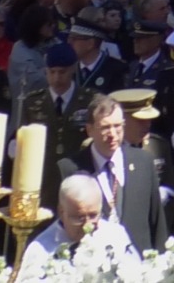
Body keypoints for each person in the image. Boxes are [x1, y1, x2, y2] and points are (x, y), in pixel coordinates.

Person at [56, 93, 168, 255]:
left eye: (117, 126)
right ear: (89, 130)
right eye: (105, 128)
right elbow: (60, 227)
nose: (113, 134)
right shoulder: (70, 169)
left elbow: (157, 223)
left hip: (138, 263)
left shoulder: (143, 162)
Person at [16, 175, 140, 283]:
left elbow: (137, 275)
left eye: (93, 215)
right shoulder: (41, 250)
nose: (87, 225)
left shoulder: (116, 235)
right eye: (78, 218)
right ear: (61, 212)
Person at [18, 43, 95, 209]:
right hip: (43, 180)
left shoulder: (89, 101)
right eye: (51, 72)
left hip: (78, 177)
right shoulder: (32, 103)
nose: (56, 78)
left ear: (73, 68)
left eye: (62, 72)